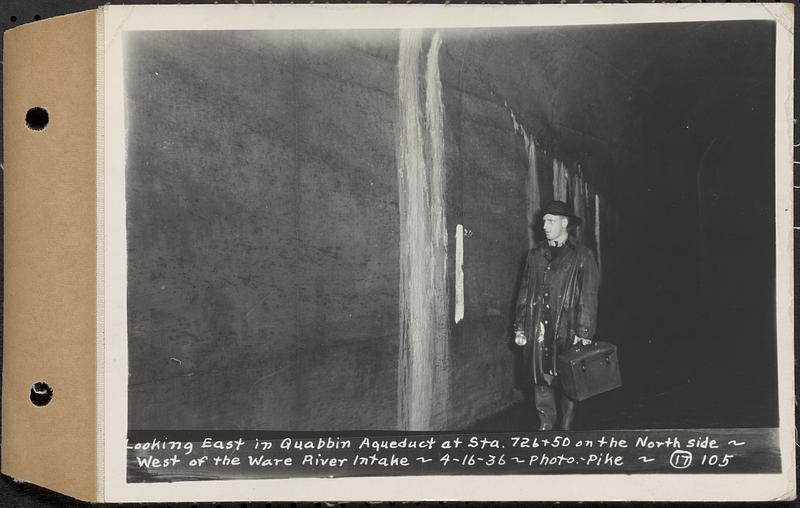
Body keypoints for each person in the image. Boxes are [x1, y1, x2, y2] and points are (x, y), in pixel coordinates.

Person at [513, 200, 600, 430]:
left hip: (567, 328)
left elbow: (589, 296)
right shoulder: (534, 256)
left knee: (568, 380)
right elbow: (523, 293)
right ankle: (545, 426)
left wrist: (584, 331)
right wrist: (520, 327)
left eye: (550, 221)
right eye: (543, 221)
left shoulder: (582, 256)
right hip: (538, 328)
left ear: (565, 223)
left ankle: (566, 427)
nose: (544, 225)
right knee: (540, 378)